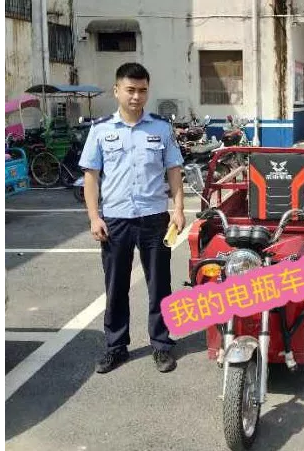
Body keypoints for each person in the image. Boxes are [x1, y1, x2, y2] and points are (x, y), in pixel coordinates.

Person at [79, 62, 186, 374]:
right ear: (117, 91)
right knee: (115, 287)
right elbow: (91, 177)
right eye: (130, 90)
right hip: (116, 220)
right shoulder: (101, 130)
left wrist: (179, 209)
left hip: (154, 219)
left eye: (142, 90)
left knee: (160, 285)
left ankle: (162, 345)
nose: (136, 96)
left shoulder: (161, 128)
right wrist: (94, 217)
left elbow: (174, 171)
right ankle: (116, 347)